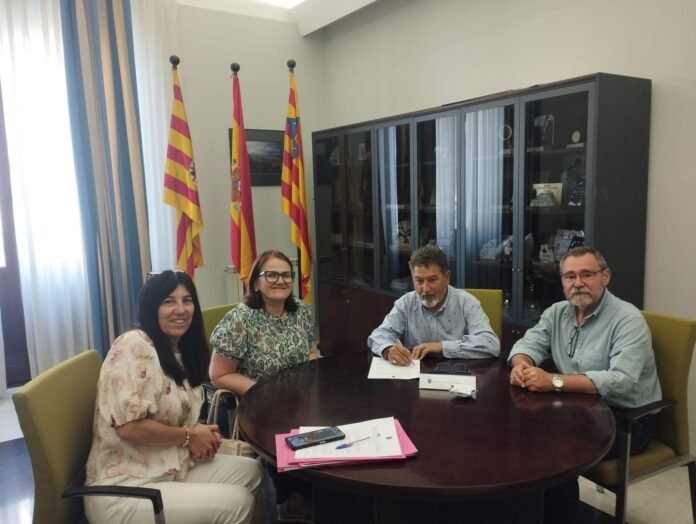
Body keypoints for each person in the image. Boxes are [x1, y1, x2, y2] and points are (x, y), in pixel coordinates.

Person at [84, 270, 263, 524]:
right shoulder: (133, 344)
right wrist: (189, 437)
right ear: (151, 308)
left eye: (187, 300)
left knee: (252, 471)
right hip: (124, 486)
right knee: (238, 502)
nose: (181, 309)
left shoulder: (178, 352)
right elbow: (129, 428)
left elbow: (172, 415)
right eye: (169, 301)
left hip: (165, 465)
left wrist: (199, 435)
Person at [508, 246, 661, 522]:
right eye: (570, 276)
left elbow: (622, 382)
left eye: (587, 275)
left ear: (606, 276)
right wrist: (522, 364)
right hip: (578, 407)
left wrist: (554, 381)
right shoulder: (557, 313)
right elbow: (526, 345)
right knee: (519, 432)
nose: (577, 283)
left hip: (628, 418)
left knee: (554, 451)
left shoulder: (627, 320)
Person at [209, 249, 317, 523]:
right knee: (288, 440)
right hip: (259, 407)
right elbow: (219, 374)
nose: (280, 280)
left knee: (330, 432)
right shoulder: (240, 319)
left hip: (301, 401)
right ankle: (286, 501)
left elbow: (310, 352)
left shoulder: (301, 312)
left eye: (286, 275)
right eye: (271, 275)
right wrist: (265, 392)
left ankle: (310, 499)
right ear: (256, 282)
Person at [368, 244, 500, 365]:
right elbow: (378, 335)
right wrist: (387, 349)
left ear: (447, 277)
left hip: (458, 374)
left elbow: (491, 344)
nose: (425, 289)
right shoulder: (406, 303)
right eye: (419, 281)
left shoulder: (467, 302)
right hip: (417, 374)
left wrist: (442, 347)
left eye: (432, 280)